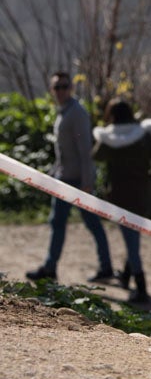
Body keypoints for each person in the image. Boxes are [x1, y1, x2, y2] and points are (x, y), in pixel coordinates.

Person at [26, 72, 114, 284]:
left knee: (92, 223)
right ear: (52, 89)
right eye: (57, 87)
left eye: (64, 86)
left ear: (71, 88)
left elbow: (85, 151)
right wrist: (52, 174)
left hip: (78, 181)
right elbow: (62, 151)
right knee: (57, 222)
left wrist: (87, 183)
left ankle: (106, 267)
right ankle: (50, 267)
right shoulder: (63, 112)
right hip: (63, 178)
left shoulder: (77, 113)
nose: (61, 91)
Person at [90, 98, 151, 305]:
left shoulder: (109, 138)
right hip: (143, 194)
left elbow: (96, 156)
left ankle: (141, 287)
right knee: (132, 237)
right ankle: (126, 276)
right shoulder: (143, 136)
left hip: (119, 196)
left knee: (131, 240)